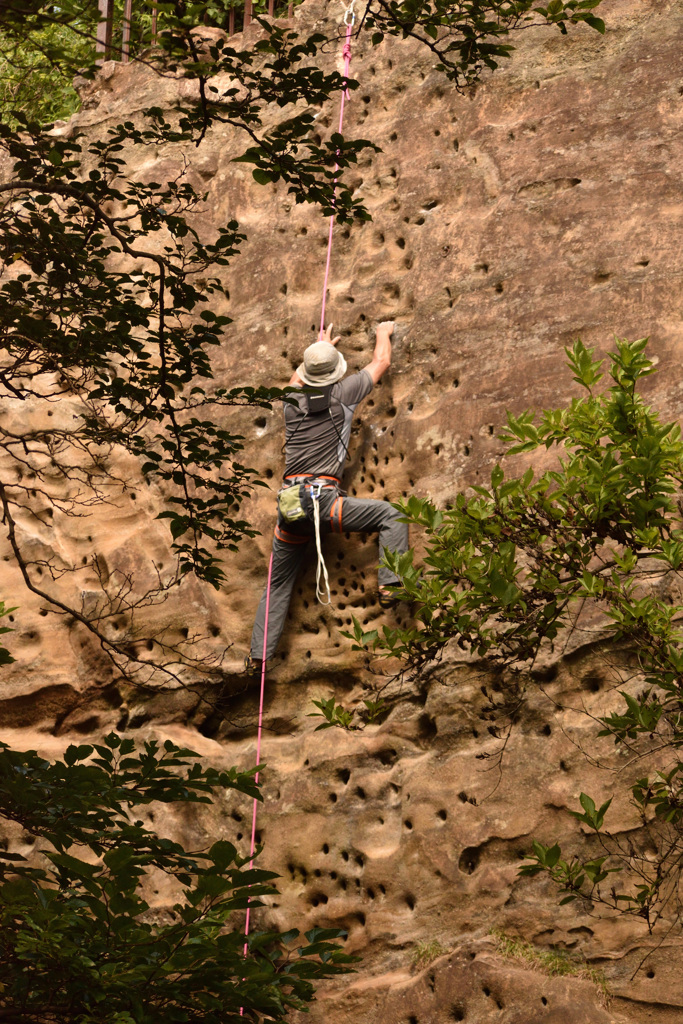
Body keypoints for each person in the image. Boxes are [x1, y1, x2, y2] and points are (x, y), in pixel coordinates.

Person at [246, 320, 409, 672]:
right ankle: (391, 585)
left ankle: (259, 655)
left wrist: (317, 352)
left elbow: (295, 382)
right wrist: (383, 332)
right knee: (391, 515)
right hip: (326, 504)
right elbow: (380, 363)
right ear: (336, 373)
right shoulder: (344, 394)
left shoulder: (290, 403)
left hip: (290, 507)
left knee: (277, 582)